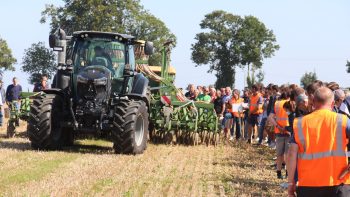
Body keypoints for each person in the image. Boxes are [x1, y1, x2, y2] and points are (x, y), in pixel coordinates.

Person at [287, 87, 350, 197]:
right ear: (333, 103)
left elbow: (292, 154)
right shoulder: (343, 120)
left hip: (308, 184)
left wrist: (291, 183)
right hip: (338, 183)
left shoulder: (300, 123)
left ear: (313, 102)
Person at [268, 90, 291, 179]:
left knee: (279, 153)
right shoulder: (291, 103)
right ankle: (287, 173)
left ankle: (278, 172)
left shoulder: (276, 104)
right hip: (288, 131)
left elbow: (270, 117)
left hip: (279, 131)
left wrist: (278, 126)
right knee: (287, 154)